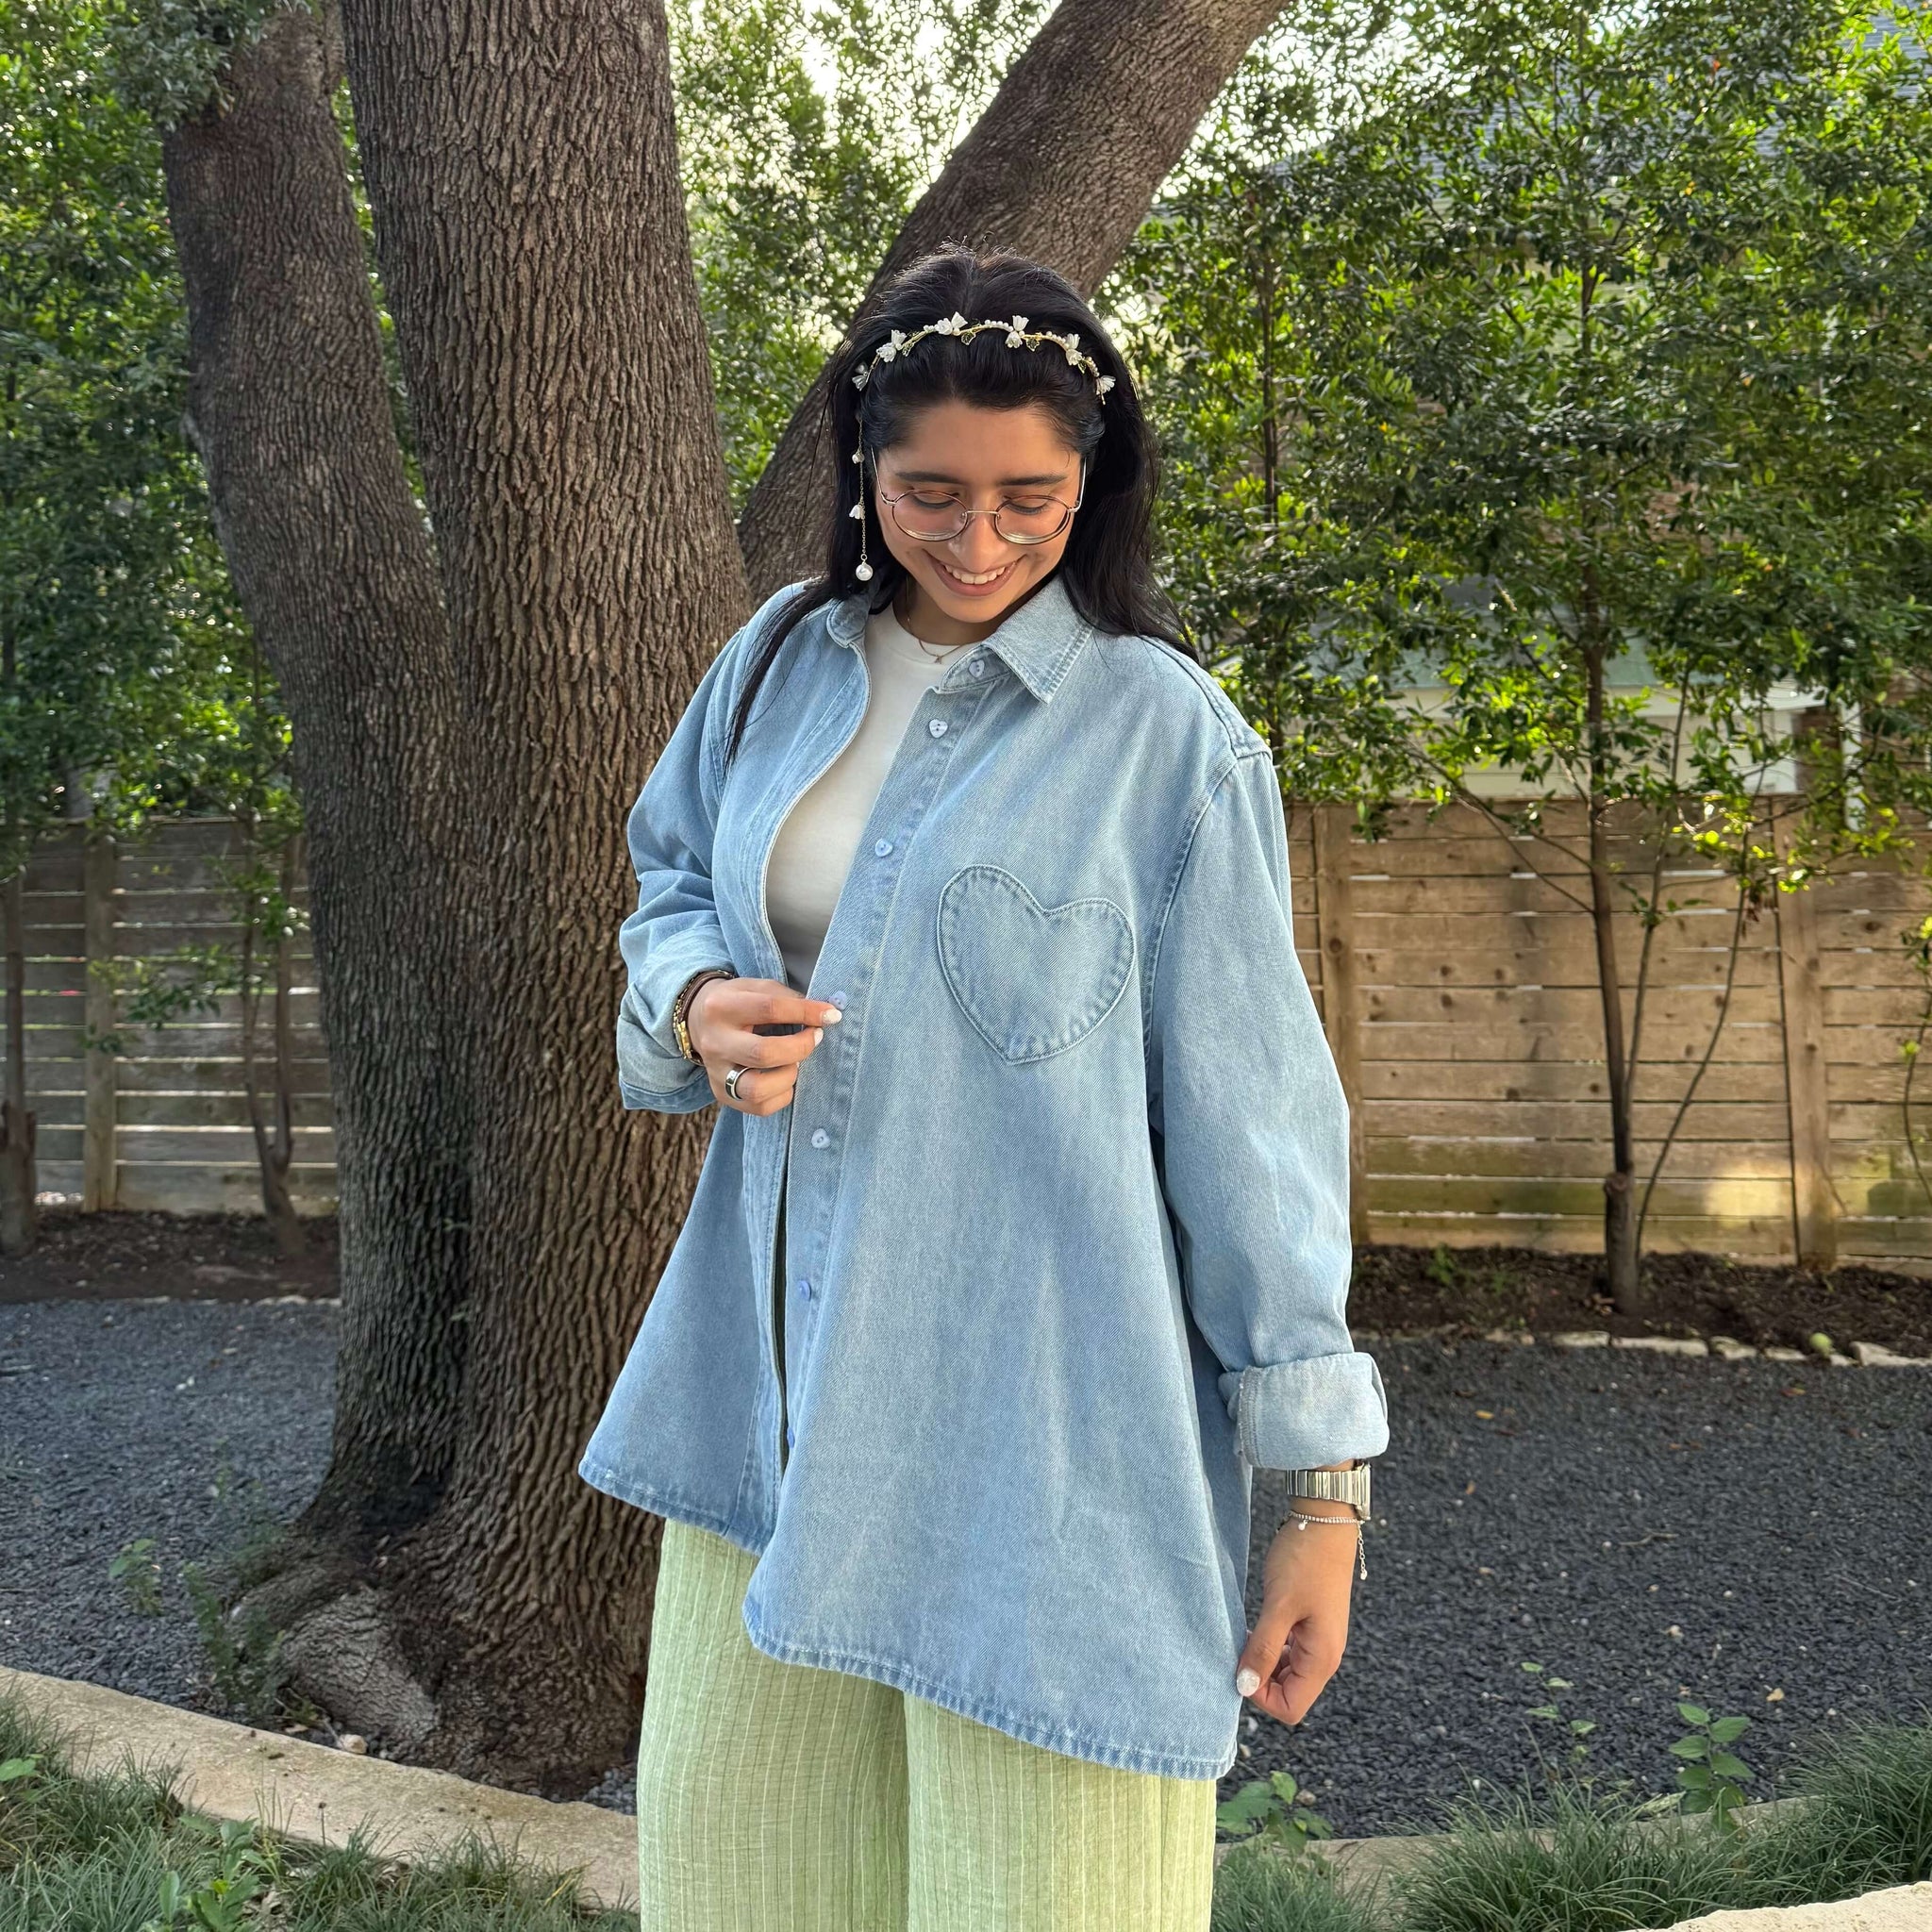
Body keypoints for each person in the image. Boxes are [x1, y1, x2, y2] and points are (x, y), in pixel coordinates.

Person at [577, 244, 1390, 1932]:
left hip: (1047, 1449)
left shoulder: (1169, 740)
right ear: (863, 475)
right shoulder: (779, 663)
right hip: (770, 1418)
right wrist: (696, 1000)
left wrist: (1320, 1490)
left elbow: (1256, 1129)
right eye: (930, 494)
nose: (979, 540)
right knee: (746, 1902)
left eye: (1031, 498)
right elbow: (670, 883)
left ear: (1093, 485)